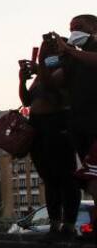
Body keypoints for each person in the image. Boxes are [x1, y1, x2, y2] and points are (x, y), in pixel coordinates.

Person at [20, 46, 79, 242]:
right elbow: (27, 100)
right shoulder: (41, 72)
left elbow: (53, 89)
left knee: (66, 176)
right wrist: (22, 79)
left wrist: (42, 64)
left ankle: (69, 225)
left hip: (58, 122)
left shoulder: (64, 67)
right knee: (48, 177)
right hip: (38, 126)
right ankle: (55, 223)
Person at [51, 15, 97, 201]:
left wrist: (69, 51)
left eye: (78, 26)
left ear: (93, 26)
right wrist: (51, 57)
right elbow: (55, 80)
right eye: (71, 29)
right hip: (80, 121)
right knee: (91, 173)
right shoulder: (74, 55)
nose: (73, 32)